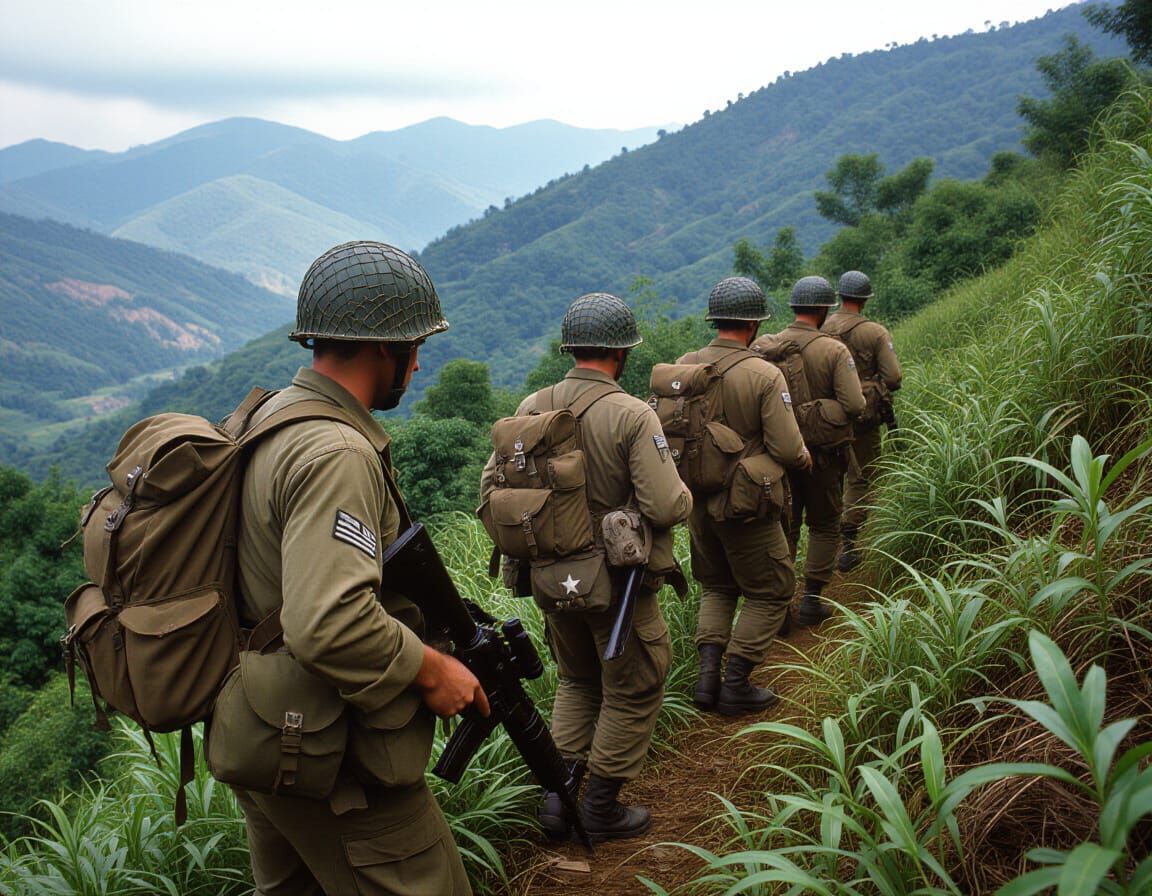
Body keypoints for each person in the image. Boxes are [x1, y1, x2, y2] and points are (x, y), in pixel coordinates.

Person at [230, 241, 486, 895]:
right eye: (413, 345)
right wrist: (434, 670)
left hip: (265, 730)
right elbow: (328, 621)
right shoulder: (337, 451)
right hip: (329, 753)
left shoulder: (271, 416)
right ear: (380, 348)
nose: (420, 361)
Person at [481, 292, 691, 842]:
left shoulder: (531, 408)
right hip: (618, 585)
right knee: (635, 683)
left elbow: (489, 491)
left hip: (550, 577)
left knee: (576, 681)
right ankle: (599, 805)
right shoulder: (631, 413)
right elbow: (667, 505)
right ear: (621, 355)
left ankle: (557, 799)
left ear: (570, 348)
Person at [679, 277, 811, 716]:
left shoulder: (684, 368)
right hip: (747, 507)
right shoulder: (765, 374)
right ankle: (735, 683)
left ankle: (706, 679)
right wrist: (805, 462)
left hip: (697, 502)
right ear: (753, 326)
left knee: (717, 585)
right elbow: (789, 449)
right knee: (773, 589)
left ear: (715, 321)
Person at [751, 276, 865, 626]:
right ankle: (812, 600)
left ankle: (782, 609)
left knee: (785, 529)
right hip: (824, 457)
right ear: (822, 309)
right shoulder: (833, 350)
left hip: (778, 456)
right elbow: (855, 405)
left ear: (795, 308)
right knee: (826, 524)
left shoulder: (766, 346)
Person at [822, 271, 903, 571]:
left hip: (826, 417)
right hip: (864, 417)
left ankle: (826, 542)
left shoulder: (822, 327)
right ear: (865, 299)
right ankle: (851, 541)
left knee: (834, 477)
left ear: (840, 296)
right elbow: (894, 378)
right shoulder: (874, 332)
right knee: (863, 476)